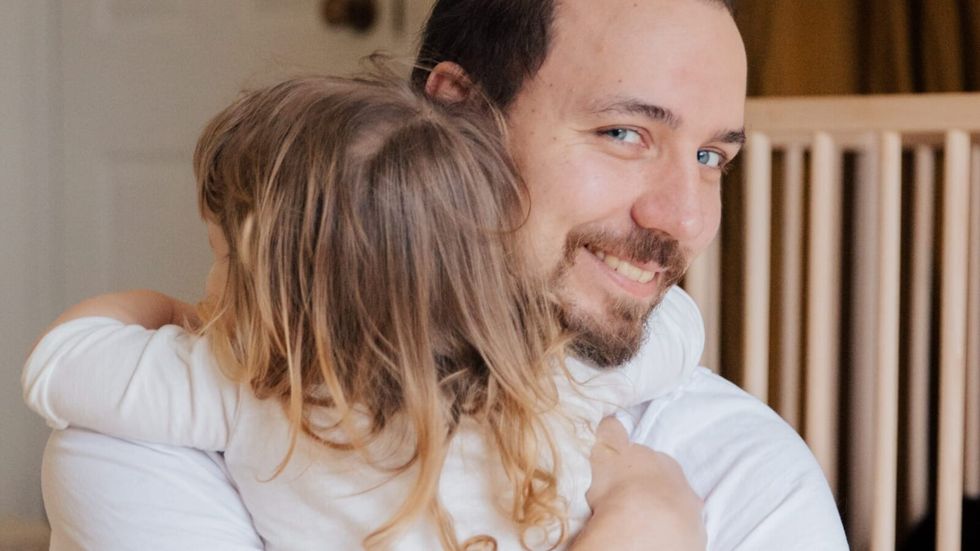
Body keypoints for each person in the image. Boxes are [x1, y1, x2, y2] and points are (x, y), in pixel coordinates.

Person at [35, 0, 849, 549]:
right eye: (624, 133)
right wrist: (647, 521)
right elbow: (676, 335)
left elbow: (65, 364)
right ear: (457, 114)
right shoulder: (144, 454)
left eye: (712, 158)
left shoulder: (745, 466)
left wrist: (172, 315)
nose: (686, 219)